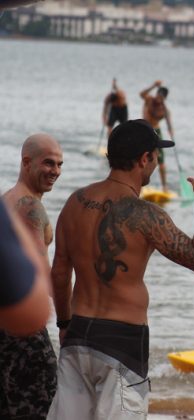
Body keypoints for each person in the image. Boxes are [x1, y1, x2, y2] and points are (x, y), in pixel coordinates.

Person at [47, 119, 194, 420]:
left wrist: (64, 324)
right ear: (145, 158)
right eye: (156, 156)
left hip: (77, 336)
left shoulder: (75, 202)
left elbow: (60, 273)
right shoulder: (146, 215)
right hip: (121, 344)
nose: (157, 164)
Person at [1, 133, 63, 419]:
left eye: (60, 165)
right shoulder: (29, 207)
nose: (56, 172)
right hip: (22, 332)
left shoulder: (6, 201)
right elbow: (40, 276)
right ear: (26, 162)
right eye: (48, 163)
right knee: (40, 407)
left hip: (5, 318)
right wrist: (70, 318)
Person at [0, 198, 51, 337]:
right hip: (22, 323)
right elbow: (35, 312)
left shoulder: (9, 197)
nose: (56, 174)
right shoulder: (31, 206)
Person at [140, 80, 174, 192]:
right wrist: (153, 85)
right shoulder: (149, 99)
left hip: (156, 131)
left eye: (161, 97)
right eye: (157, 95)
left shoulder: (164, 110)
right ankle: (138, 183)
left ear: (164, 98)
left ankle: (164, 186)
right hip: (143, 129)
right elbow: (141, 94)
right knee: (140, 157)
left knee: (161, 161)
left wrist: (171, 132)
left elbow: (168, 122)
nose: (158, 99)